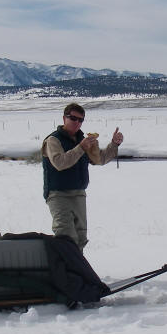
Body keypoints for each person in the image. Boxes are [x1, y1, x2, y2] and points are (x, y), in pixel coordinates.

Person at [41, 103, 123, 250]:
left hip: (78, 193)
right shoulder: (53, 140)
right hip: (57, 194)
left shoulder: (84, 140)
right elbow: (60, 163)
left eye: (80, 120)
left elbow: (100, 159)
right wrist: (81, 148)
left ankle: (76, 270)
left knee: (80, 237)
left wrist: (114, 144)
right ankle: (64, 271)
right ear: (64, 118)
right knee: (66, 236)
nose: (77, 123)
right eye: (73, 118)